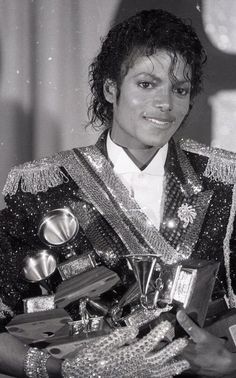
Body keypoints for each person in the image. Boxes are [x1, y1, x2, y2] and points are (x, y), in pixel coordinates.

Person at [0, 7, 236, 378]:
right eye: (146, 83)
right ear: (111, 88)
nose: (166, 103)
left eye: (180, 89)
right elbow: (5, 323)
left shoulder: (225, 182)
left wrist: (232, 365)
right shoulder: (42, 186)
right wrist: (61, 370)